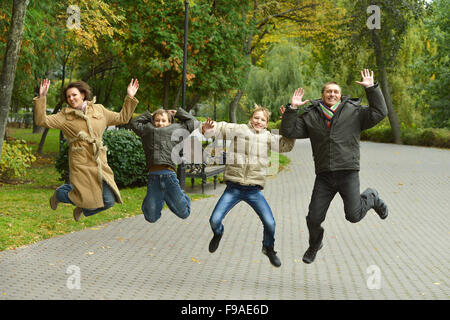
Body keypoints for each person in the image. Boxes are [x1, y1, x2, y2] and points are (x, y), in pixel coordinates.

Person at [280, 69, 389, 264]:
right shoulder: (311, 115)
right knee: (313, 218)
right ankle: (315, 244)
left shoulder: (354, 111)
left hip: (348, 172)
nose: (332, 94)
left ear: (341, 95)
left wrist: (372, 89)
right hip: (324, 176)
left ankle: (371, 197)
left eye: (335, 92)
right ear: (322, 95)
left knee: (353, 216)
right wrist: (292, 110)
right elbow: (289, 130)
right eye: (328, 91)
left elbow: (380, 112)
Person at [201, 106, 295, 267]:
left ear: (266, 124)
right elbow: (220, 128)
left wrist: (288, 120)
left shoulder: (268, 137)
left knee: (270, 223)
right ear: (251, 118)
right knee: (214, 220)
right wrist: (207, 129)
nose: (259, 121)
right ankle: (218, 233)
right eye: (256, 117)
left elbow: (286, 145)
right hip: (233, 188)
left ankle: (268, 247)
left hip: (253, 190)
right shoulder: (240, 130)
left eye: (263, 119)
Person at [34, 78, 139, 221]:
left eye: (74, 95)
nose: (71, 98)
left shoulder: (99, 109)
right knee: (82, 196)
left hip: (99, 160)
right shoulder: (65, 116)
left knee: (108, 201)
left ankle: (83, 209)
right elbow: (42, 121)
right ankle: (59, 195)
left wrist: (130, 97)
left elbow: (123, 117)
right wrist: (42, 97)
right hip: (81, 162)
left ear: (83, 94)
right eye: (68, 96)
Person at [129, 107, 199, 223]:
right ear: (152, 121)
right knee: (151, 217)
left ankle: (181, 196)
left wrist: (177, 113)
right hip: (153, 178)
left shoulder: (176, 130)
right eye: (157, 120)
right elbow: (134, 123)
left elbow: (193, 123)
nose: (160, 123)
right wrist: (150, 114)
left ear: (169, 122)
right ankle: (162, 198)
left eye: (163, 120)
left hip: (169, 176)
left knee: (184, 213)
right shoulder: (147, 130)